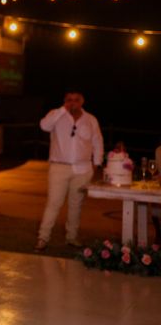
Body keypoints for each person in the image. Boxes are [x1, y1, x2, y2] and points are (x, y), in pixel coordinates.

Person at [34, 90, 103, 251]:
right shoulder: (56, 114)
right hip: (59, 167)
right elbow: (44, 125)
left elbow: (97, 142)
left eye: (76, 99)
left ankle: (72, 237)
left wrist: (96, 164)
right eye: (69, 100)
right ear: (65, 101)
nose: (73, 102)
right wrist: (62, 110)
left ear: (82, 101)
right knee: (53, 203)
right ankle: (43, 238)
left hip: (83, 169)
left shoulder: (90, 120)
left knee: (76, 204)